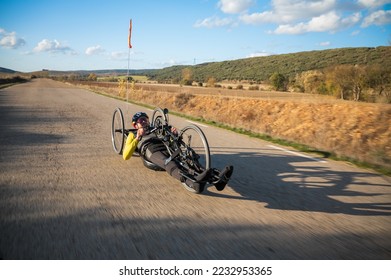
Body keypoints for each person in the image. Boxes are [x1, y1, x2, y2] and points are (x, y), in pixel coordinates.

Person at [123, 111, 233, 192]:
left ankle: (217, 179)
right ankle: (193, 183)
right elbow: (126, 155)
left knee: (189, 159)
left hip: (166, 146)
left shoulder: (156, 129)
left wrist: (174, 135)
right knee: (169, 163)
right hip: (151, 150)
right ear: (135, 125)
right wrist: (137, 138)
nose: (144, 121)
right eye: (140, 120)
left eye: (145, 119)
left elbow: (169, 139)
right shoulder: (133, 135)